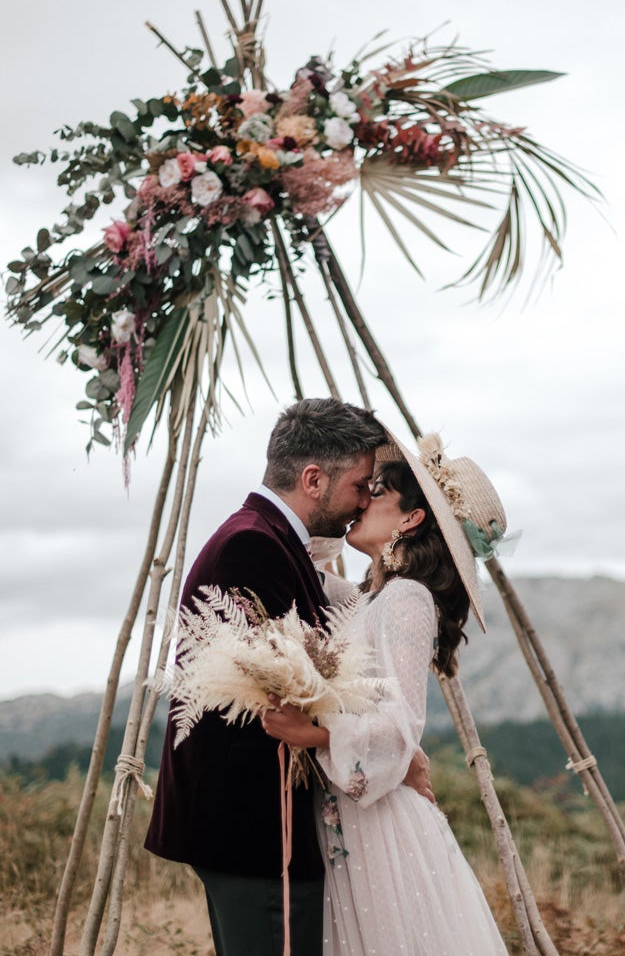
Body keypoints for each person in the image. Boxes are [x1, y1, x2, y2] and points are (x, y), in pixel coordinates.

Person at [144, 398, 428, 956]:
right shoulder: (254, 545)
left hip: (250, 826)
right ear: (314, 478)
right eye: (361, 485)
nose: (363, 501)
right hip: (254, 826)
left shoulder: (268, 538)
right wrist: (397, 748)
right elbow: (294, 692)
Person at [262, 429, 510, 955]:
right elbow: (301, 554)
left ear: (412, 518)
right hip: (348, 823)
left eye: (376, 493)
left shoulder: (407, 600)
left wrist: (316, 734)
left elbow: (401, 725)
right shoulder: (365, 600)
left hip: (378, 831)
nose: (361, 500)